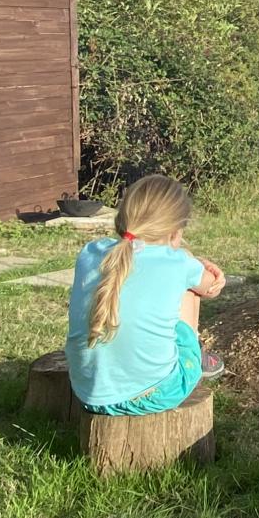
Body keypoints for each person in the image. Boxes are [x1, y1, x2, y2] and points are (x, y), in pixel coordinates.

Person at [66, 173, 228, 416]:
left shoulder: (91, 251)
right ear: (175, 230)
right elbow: (211, 288)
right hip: (155, 394)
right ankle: (196, 356)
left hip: (89, 393)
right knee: (190, 291)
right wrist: (197, 262)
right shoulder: (178, 263)